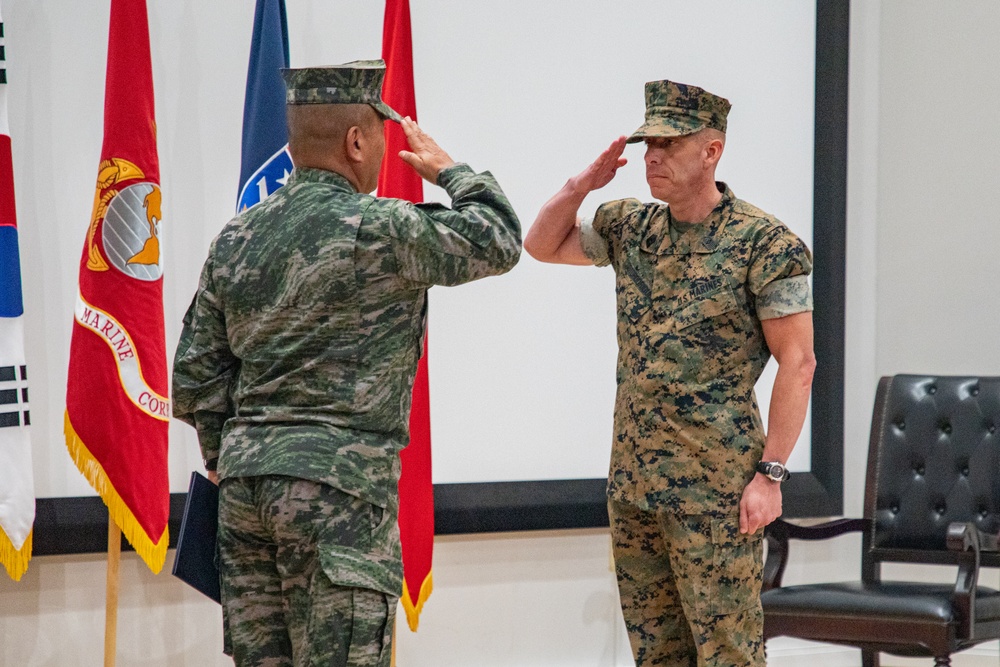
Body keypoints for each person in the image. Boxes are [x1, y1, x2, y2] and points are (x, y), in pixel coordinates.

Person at [172, 60, 521, 667]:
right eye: (380, 135)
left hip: (245, 495)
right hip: (337, 495)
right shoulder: (377, 227)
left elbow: (196, 376)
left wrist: (234, 456)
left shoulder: (237, 236)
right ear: (356, 141)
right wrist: (449, 170)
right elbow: (498, 238)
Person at [523, 79, 815, 666]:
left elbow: (798, 363)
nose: (652, 156)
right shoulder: (631, 227)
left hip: (716, 489)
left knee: (727, 653)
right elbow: (541, 244)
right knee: (656, 654)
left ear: (712, 151)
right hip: (633, 484)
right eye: (647, 142)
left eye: (669, 143)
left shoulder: (766, 243)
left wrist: (771, 476)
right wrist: (584, 185)